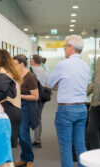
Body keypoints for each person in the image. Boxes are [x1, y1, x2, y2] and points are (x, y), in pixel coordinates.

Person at [47, 35, 90, 167]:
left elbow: (49, 83)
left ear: (71, 48)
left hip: (66, 109)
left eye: (65, 46)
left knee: (66, 149)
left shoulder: (63, 65)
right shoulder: (86, 66)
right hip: (82, 109)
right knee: (80, 146)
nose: (64, 49)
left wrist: (61, 85)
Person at [13, 54, 39, 167]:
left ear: (22, 64)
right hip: (17, 107)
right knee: (19, 134)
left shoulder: (30, 77)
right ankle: (24, 158)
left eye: (15, 64)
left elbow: (35, 96)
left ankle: (30, 159)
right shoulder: (15, 75)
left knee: (23, 134)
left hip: (26, 108)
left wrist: (20, 96)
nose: (13, 66)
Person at [30, 54, 48, 148]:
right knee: (38, 118)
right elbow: (47, 85)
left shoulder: (29, 70)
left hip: (31, 97)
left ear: (33, 61)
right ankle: (37, 140)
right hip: (41, 98)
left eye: (31, 59)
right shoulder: (44, 71)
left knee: (26, 117)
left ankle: (25, 139)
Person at [87, 56, 100, 150]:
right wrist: (83, 93)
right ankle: (96, 158)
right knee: (91, 131)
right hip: (95, 103)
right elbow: (95, 81)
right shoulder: (99, 59)